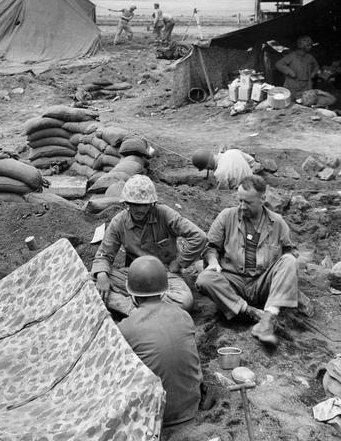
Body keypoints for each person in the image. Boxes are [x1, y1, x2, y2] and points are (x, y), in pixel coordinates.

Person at [196, 175, 298, 346]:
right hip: (232, 282)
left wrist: (284, 276)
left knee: (289, 261)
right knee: (205, 279)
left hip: (261, 283)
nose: (242, 206)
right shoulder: (227, 216)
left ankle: (268, 316)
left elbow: (291, 251)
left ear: (262, 199)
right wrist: (213, 262)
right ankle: (251, 312)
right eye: (240, 201)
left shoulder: (278, 222)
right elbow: (210, 247)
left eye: (248, 202)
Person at [91, 174, 207, 315]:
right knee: (89, 281)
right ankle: (132, 308)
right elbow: (104, 254)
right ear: (126, 204)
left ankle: (134, 307)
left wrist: (179, 262)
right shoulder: (119, 222)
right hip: (133, 275)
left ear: (152, 204)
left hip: (165, 275)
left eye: (144, 205)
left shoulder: (164, 214)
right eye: (134, 204)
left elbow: (199, 237)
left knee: (184, 300)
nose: (139, 210)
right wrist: (102, 275)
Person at [118, 255, 202, 426]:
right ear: (164, 291)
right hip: (191, 406)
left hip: (154, 415)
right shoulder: (184, 315)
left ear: (132, 294)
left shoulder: (125, 328)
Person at [275, 35, 320, 99]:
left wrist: (313, 73)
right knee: (291, 104)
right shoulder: (292, 56)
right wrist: (289, 72)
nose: (310, 47)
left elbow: (316, 66)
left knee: (305, 104)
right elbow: (279, 64)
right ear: (301, 46)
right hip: (292, 87)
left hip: (306, 87)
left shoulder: (310, 57)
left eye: (310, 45)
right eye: (308, 45)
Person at [192, 148, 257, 189]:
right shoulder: (232, 151)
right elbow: (252, 161)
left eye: (206, 168)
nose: (208, 170)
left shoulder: (220, 173)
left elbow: (224, 193)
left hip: (243, 192)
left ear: (208, 165)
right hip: (255, 184)